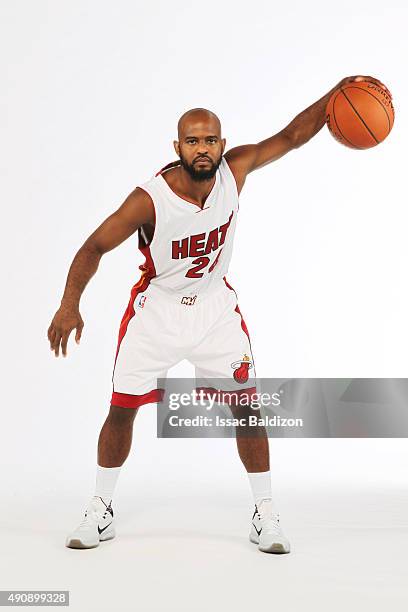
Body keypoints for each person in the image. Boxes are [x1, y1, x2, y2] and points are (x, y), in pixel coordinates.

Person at [48, 75, 388, 554]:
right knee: (121, 411)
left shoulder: (235, 171)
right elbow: (95, 245)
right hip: (157, 312)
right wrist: (69, 304)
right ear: (178, 145)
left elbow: (291, 137)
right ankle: (101, 509)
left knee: (248, 408)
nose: (202, 148)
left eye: (210, 140)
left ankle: (264, 512)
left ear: (222, 143)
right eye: (193, 141)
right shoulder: (150, 198)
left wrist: (336, 95)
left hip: (215, 311)